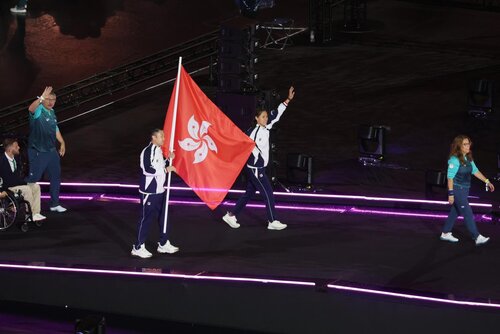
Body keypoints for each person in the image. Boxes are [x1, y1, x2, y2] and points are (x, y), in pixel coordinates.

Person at [222, 86, 295, 230]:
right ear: (256, 119)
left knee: (249, 193)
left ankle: (230, 215)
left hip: (258, 168)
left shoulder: (267, 126)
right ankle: (272, 220)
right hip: (255, 169)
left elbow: (277, 113)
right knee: (268, 192)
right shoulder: (251, 133)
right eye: (263, 117)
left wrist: (288, 99)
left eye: (266, 116)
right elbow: (238, 142)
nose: (266, 118)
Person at [131, 129, 179, 258]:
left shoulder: (158, 150)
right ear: (154, 137)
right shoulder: (147, 151)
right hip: (149, 192)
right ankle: (138, 247)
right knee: (145, 219)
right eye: (161, 136)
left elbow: (160, 166)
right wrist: (166, 169)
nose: (164, 139)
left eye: (164, 136)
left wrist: (168, 159)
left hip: (160, 190)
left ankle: (163, 243)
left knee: (163, 217)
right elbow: (147, 169)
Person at [440, 135, 495, 245]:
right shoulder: (454, 160)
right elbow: (450, 178)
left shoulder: (468, 158)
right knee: (467, 212)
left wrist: (487, 181)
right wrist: (450, 194)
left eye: (468, 143)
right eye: (465, 144)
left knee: (455, 211)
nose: (468, 145)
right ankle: (477, 236)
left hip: (465, 189)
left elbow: (475, 171)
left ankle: (445, 233)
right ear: (459, 146)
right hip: (457, 189)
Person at [27, 86, 67, 213]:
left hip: (51, 151)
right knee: (33, 178)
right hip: (38, 150)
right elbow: (30, 109)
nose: (51, 102)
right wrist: (42, 96)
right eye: (48, 99)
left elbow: (55, 129)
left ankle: (54, 204)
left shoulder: (52, 112)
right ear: (43, 99)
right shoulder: (39, 110)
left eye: (53, 99)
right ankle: (21, 201)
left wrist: (62, 142)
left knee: (56, 176)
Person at [0, 138, 46, 221]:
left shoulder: (16, 159)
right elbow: (8, 180)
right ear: (10, 149)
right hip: (8, 187)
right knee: (27, 189)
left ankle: (36, 213)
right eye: (16, 146)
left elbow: (17, 176)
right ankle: (30, 214)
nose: (19, 147)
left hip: (17, 184)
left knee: (36, 186)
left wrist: (27, 180)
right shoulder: (2, 161)